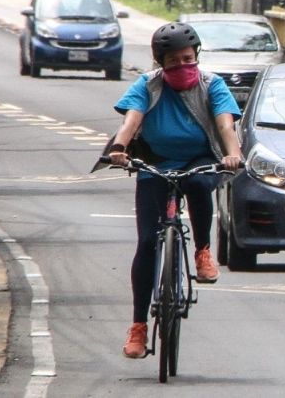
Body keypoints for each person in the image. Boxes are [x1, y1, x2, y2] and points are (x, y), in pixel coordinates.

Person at [107, 22, 243, 359]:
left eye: (187, 58)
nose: (182, 67)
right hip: (157, 162)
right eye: (172, 61)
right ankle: (138, 327)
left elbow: (226, 123)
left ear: (196, 55)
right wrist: (120, 148)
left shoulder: (213, 85)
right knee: (147, 243)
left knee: (198, 184)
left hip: (199, 159)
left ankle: (202, 251)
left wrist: (234, 155)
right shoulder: (148, 85)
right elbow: (132, 120)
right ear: (160, 63)